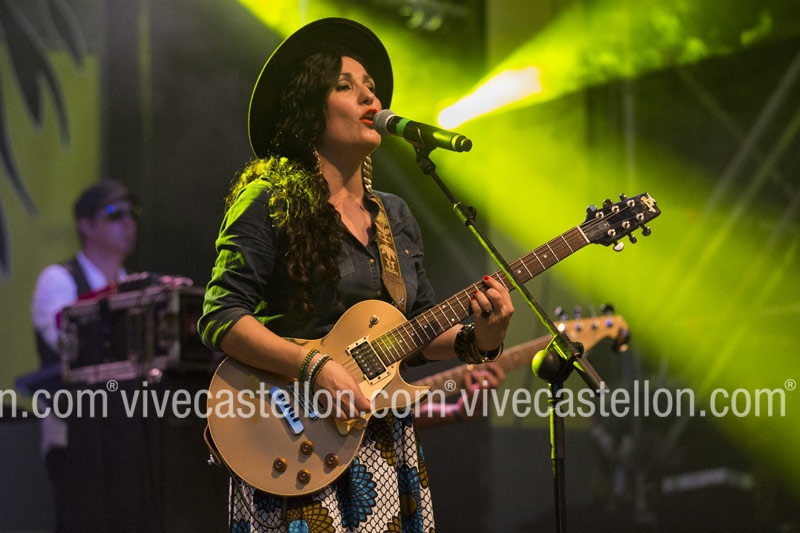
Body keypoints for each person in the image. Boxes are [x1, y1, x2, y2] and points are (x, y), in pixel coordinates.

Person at [198, 17, 514, 532]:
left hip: (381, 442)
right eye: (345, 86)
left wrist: (483, 337)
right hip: (291, 435)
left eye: (371, 87)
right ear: (310, 111)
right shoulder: (268, 201)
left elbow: (416, 331)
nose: (371, 98)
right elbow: (221, 317)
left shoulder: (394, 215)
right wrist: (315, 366)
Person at [30, 179, 147, 532]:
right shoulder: (58, 279)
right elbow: (69, 343)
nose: (128, 222)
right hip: (73, 434)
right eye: (114, 214)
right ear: (85, 225)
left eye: (131, 213)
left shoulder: (136, 286)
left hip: (128, 436)